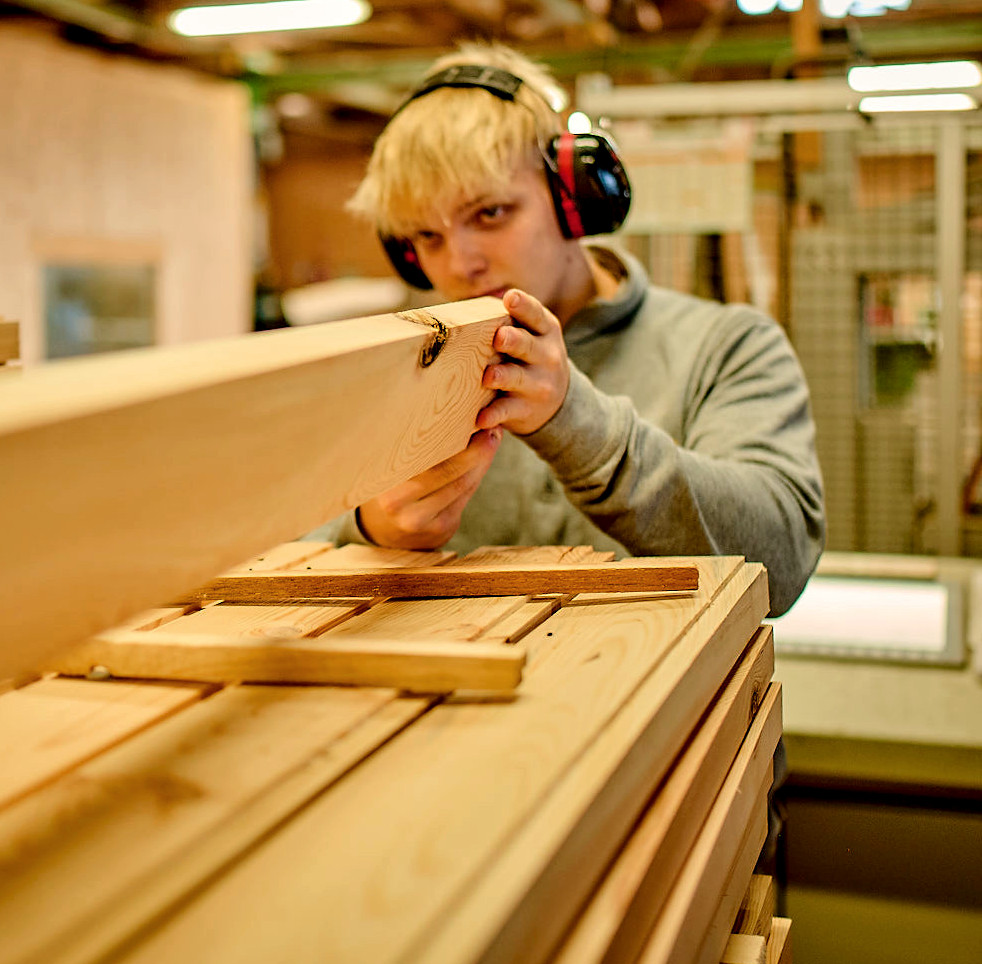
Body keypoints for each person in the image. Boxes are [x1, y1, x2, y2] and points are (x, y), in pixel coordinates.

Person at [316, 42, 824, 615]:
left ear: (573, 200)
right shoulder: (401, 371)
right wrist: (370, 532)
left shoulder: (728, 347)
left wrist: (573, 421)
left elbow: (779, 563)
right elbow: (283, 547)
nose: (459, 264)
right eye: (427, 238)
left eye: (490, 213)